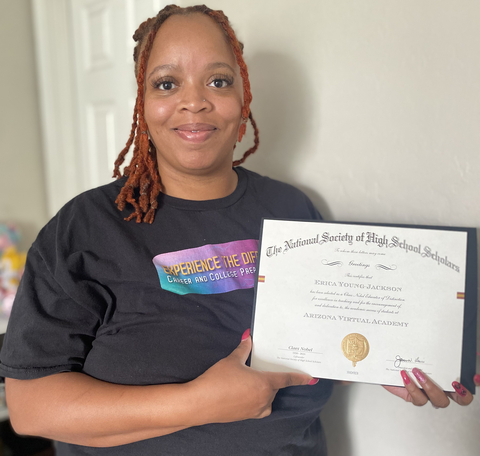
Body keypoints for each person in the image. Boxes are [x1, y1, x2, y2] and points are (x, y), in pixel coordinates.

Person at [0, 5, 476, 456]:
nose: (193, 101)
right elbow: (29, 407)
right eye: (166, 83)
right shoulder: (83, 229)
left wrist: (385, 359)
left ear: (243, 95)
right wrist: (199, 402)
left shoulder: (291, 210)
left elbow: (315, 344)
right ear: (142, 104)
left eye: (218, 80)